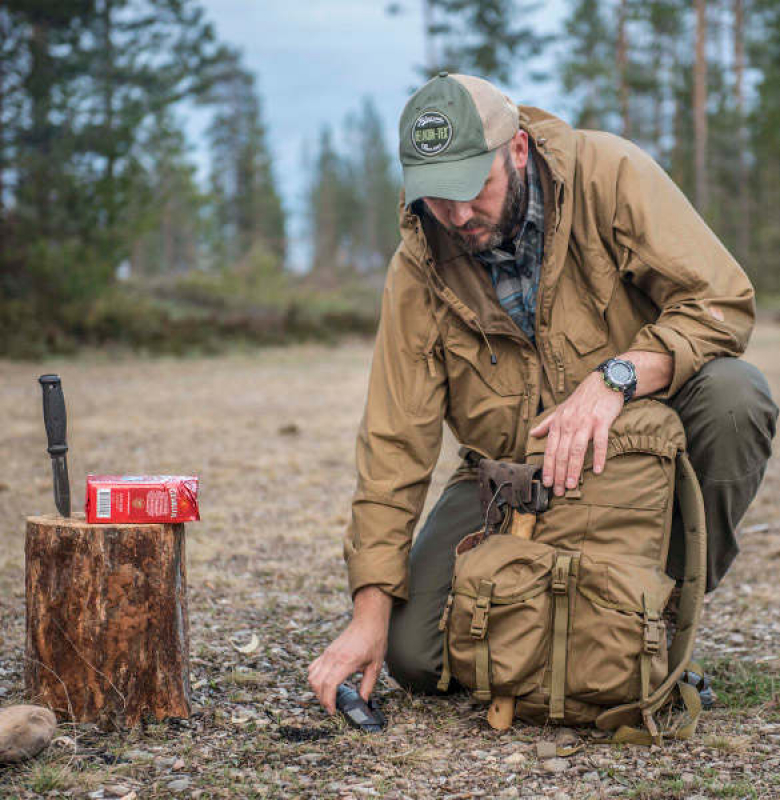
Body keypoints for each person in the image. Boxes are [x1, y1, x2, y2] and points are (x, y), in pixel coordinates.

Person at [308, 73, 778, 715]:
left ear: (519, 149)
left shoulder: (607, 175)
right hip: (509, 482)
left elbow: (722, 303)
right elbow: (395, 442)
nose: (458, 215)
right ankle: (578, 633)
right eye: (436, 197)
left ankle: (654, 619)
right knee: (414, 657)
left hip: (633, 465)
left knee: (735, 396)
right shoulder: (417, 267)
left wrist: (617, 377)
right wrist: (368, 613)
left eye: (473, 187)